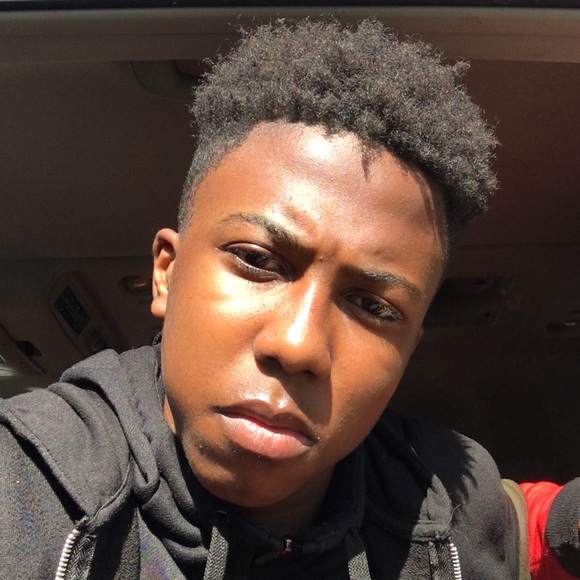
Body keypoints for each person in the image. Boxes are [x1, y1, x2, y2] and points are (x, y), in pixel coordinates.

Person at [0, 18, 578, 580]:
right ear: (166, 274)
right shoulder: (25, 486)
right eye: (258, 261)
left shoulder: (457, 513)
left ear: (409, 348)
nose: (298, 346)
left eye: (374, 307)